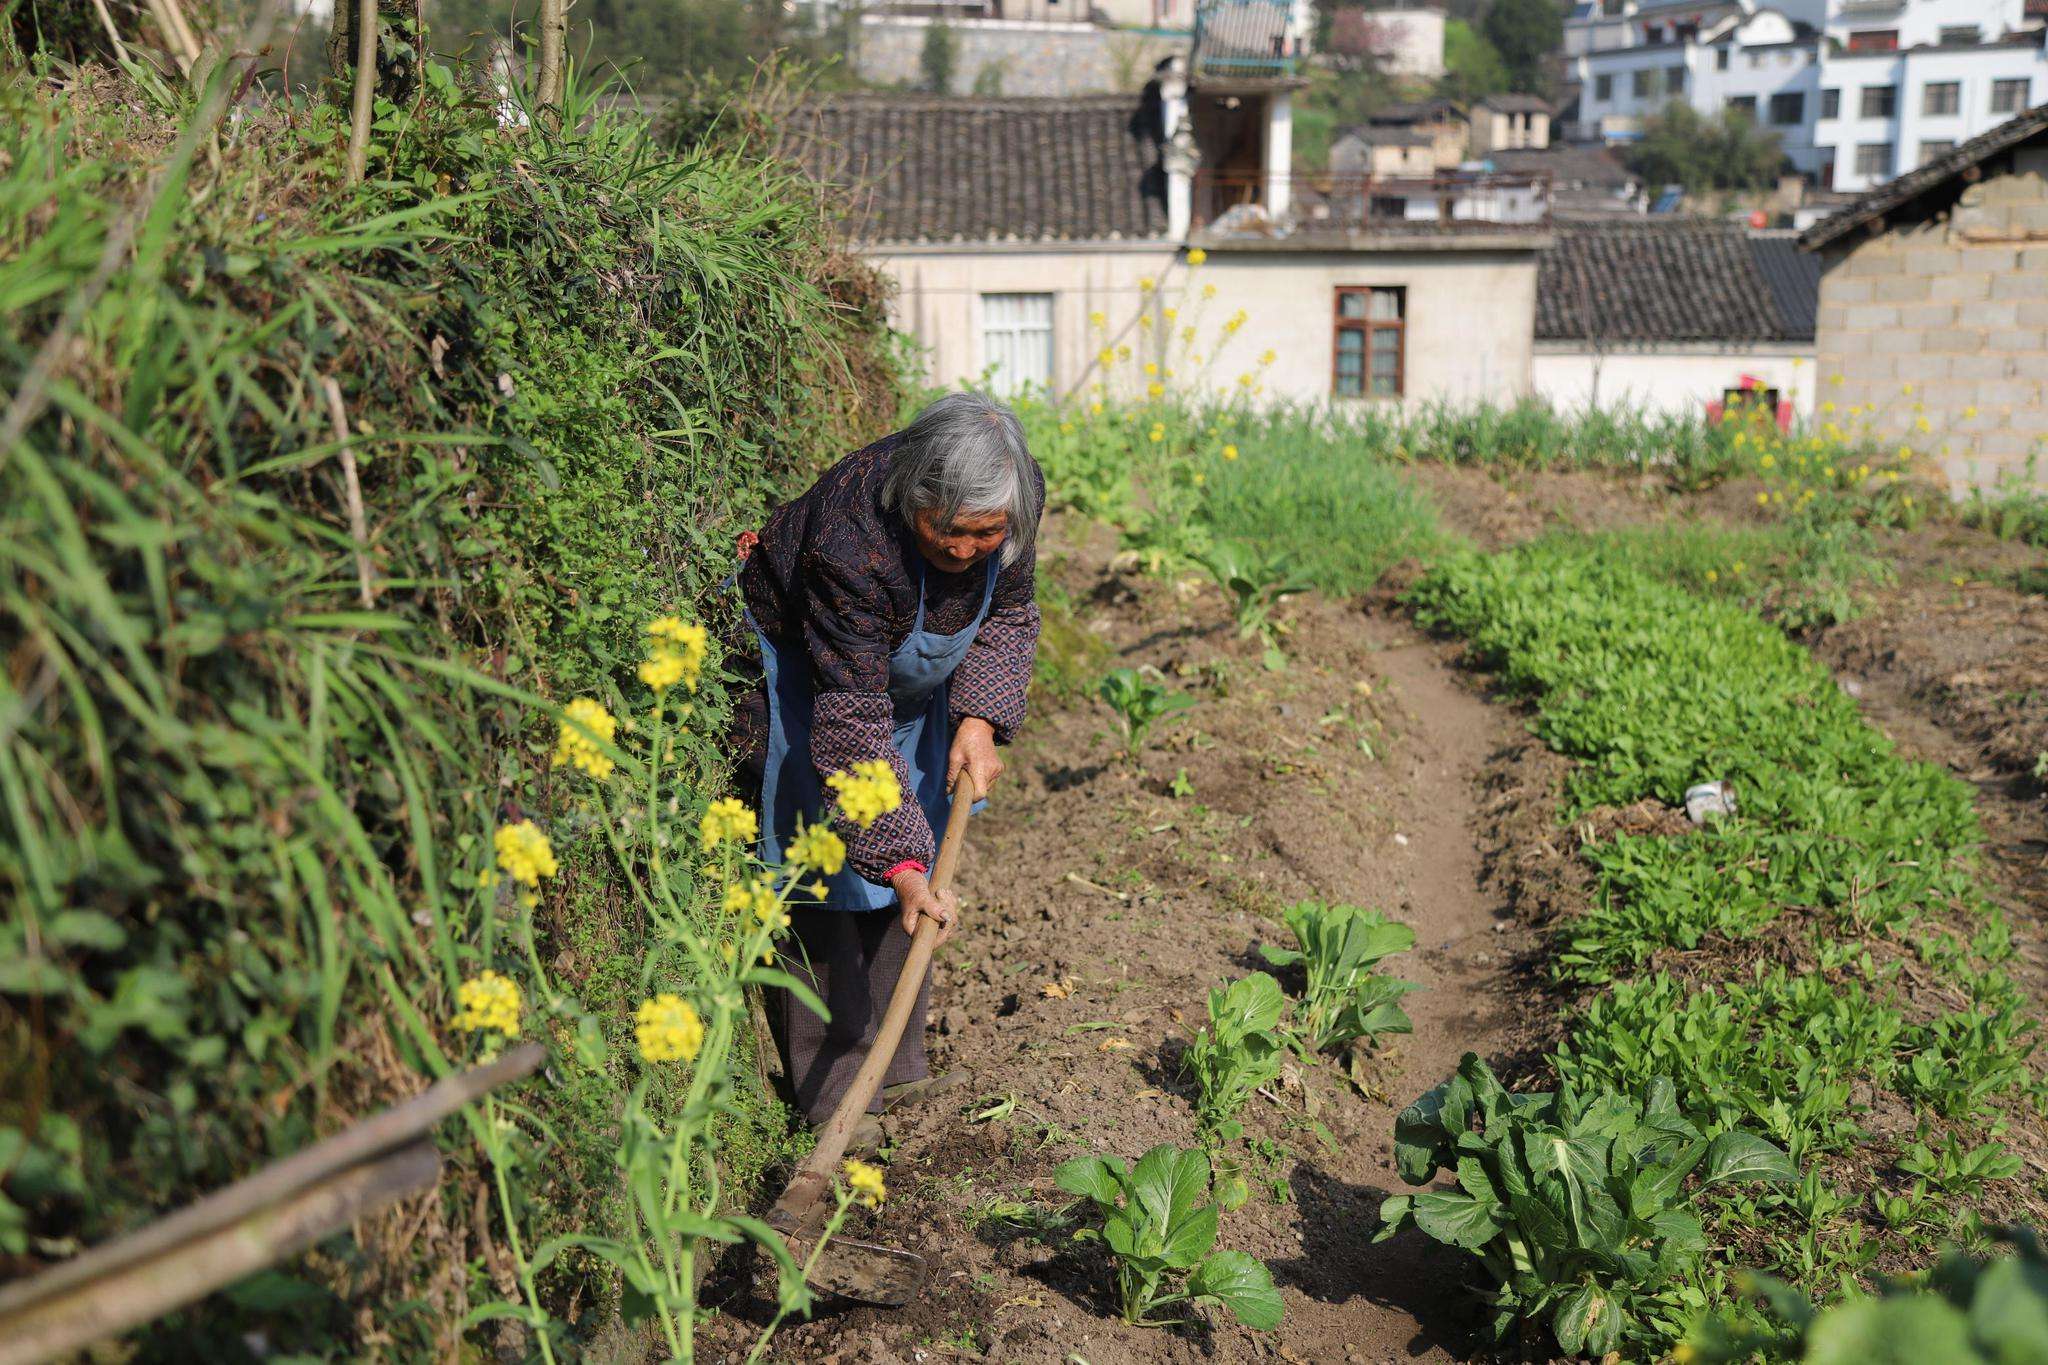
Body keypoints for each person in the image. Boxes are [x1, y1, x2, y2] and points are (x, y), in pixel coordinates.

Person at [727, 392, 1043, 1143]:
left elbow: (1009, 614)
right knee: (834, 869)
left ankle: (894, 1062)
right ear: (914, 501)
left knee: (921, 843)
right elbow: (851, 725)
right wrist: (897, 863)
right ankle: (834, 1085)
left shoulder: (1017, 499)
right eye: (949, 535)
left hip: (908, 691)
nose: (968, 551)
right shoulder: (852, 540)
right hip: (820, 687)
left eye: (985, 535)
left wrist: (980, 718)